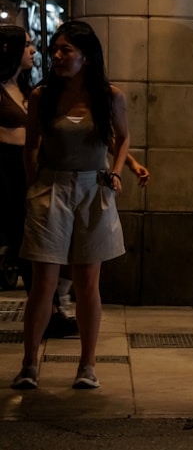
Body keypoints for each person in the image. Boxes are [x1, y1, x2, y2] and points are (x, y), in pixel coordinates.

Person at [10, 21, 130, 391]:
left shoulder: (110, 96)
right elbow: (31, 144)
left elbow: (123, 137)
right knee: (43, 282)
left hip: (93, 189)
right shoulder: (42, 96)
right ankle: (29, 364)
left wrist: (117, 171)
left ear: (87, 57)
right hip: (52, 187)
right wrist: (33, 186)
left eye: (67, 50)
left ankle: (87, 365)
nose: (57, 56)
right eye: (55, 49)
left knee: (87, 283)